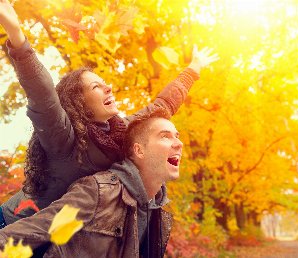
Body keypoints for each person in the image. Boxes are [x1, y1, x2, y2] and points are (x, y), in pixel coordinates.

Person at [0, 0, 218, 228]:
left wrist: (192, 70)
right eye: (96, 87)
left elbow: (161, 106)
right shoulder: (62, 136)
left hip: (55, 238)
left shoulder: (119, 132)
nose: (108, 88)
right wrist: (16, 33)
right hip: (11, 225)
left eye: (105, 83)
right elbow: (42, 92)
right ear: (79, 102)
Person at [0, 108, 182, 257]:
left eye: (177, 135)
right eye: (165, 136)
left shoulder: (158, 214)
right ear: (139, 151)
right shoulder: (99, 191)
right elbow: (35, 230)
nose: (179, 143)